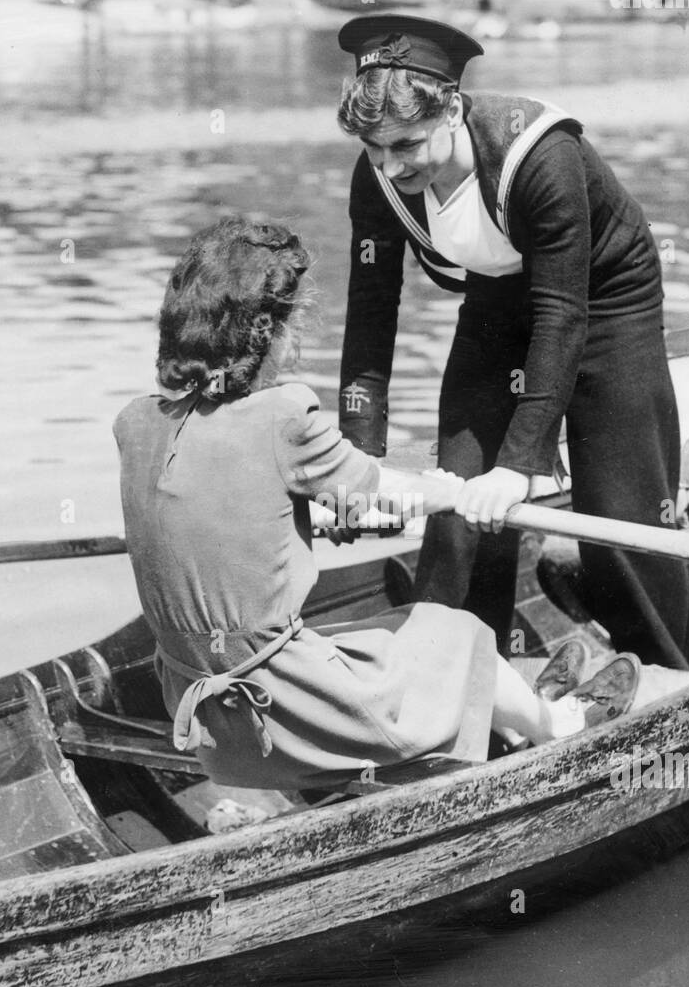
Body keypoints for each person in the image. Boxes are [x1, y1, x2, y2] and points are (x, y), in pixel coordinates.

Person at [114, 216, 621, 792]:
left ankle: (503, 720)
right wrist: (455, 490)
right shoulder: (283, 416)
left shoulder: (136, 424)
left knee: (389, 629)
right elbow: (384, 489)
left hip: (209, 728)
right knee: (459, 631)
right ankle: (557, 726)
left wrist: (323, 511)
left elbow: (227, 508)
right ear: (269, 334)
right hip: (284, 716)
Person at [335, 14, 689, 670]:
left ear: (451, 110)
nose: (390, 165)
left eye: (407, 145)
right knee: (458, 506)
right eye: (374, 149)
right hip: (497, 300)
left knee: (618, 519)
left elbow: (562, 314)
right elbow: (370, 312)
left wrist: (520, 465)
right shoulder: (379, 175)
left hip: (607, 299)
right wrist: (357, 459)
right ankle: (464, 671)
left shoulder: (540, 154)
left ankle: (667, 672)